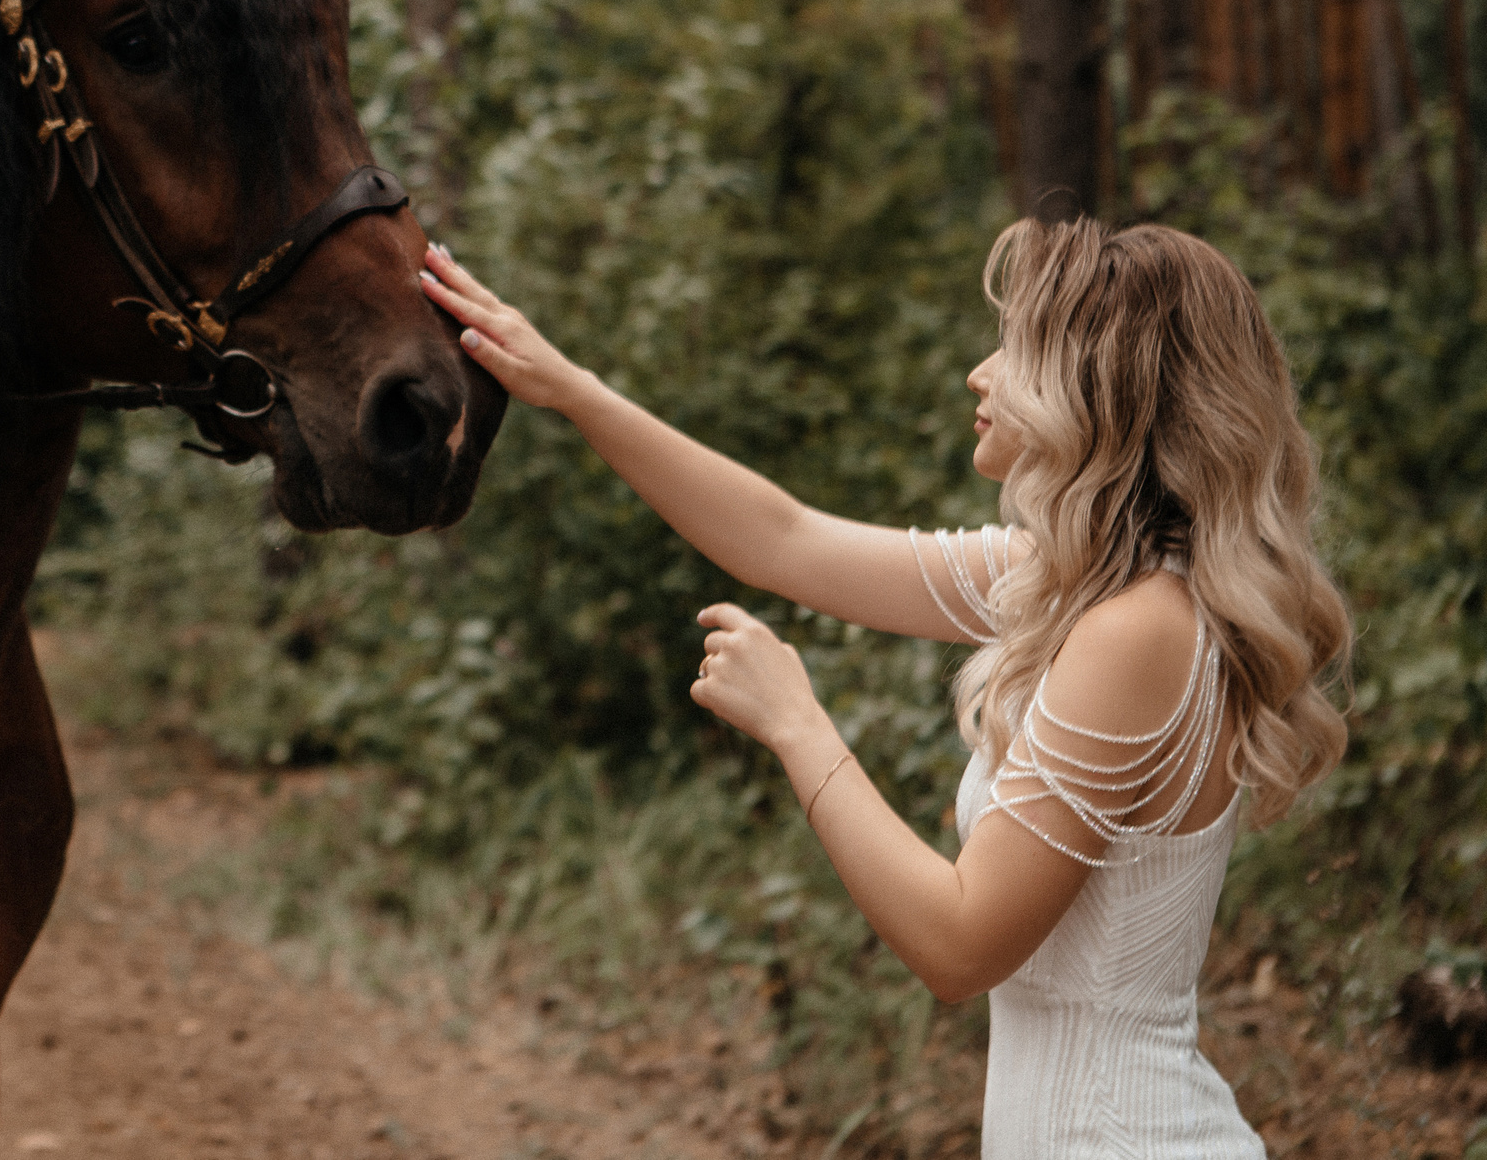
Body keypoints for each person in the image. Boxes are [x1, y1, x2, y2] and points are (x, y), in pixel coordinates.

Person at [418, 217, 1349, 1157]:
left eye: (1016, 351)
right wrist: (567, 388)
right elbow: (782, 539)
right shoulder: (1087, 583)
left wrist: (798, 725)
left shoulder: (1136, 630)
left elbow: (959, 945)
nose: (980, 375)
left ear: (1100, 391)